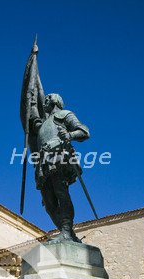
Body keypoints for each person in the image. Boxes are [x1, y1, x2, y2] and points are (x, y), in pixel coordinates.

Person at [30, 93, 90, 242]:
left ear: (55, 101)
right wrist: (31, 106)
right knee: (49, 204)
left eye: (47, 99)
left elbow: (84, 131)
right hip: (44, 162)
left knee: (61, 193)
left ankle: (66, 232)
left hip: (59, 157)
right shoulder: (44, 124)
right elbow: (34, 124)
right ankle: (69, 234)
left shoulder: (64, 114)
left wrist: (69, 135)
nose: (44, 102)